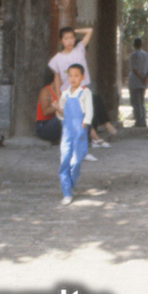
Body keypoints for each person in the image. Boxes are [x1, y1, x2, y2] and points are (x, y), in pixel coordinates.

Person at [48, 26, 114, 149]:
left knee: (86, 116)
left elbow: (90, 31)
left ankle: (91, 142)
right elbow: (57, 80)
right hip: (69, 94)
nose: (69, 41)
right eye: (66, 38)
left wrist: (75, 31)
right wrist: (58, 98)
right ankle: (91, 142)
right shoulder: (57, 59)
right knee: (78, 120)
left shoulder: (79, 49)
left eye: (72, 38)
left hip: (83, 91)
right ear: (61, 41)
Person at [57, 63, 94, 205]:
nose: (73, 79)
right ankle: (66, 191)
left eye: (76, 76)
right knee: (65, 159)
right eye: (70, 76)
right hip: (67, 131)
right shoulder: (65, 93)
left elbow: (89, 111)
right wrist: (59, 111)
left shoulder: (85, 92)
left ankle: (71, 183)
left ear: (82, 77)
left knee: (76, 160)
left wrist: (85, 123)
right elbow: (61, 112)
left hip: (80, 131)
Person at [126, 37, 148, 129]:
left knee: (136, 102)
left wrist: (142, 78)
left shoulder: (133, 55)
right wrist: (145, 78)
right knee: (141, 102)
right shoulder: (147, 55)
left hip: (135, 82)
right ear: (141, 45)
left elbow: (135, 69)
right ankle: (143, 121)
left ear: (134, 45)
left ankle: (139, 121)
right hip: (144, 83)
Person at [35, 68, 62, 145]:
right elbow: (45, 112)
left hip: (55, 124)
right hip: (43, 126)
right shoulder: (45, 91)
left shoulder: (61, 92)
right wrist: (56, 107)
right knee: (62, 118)